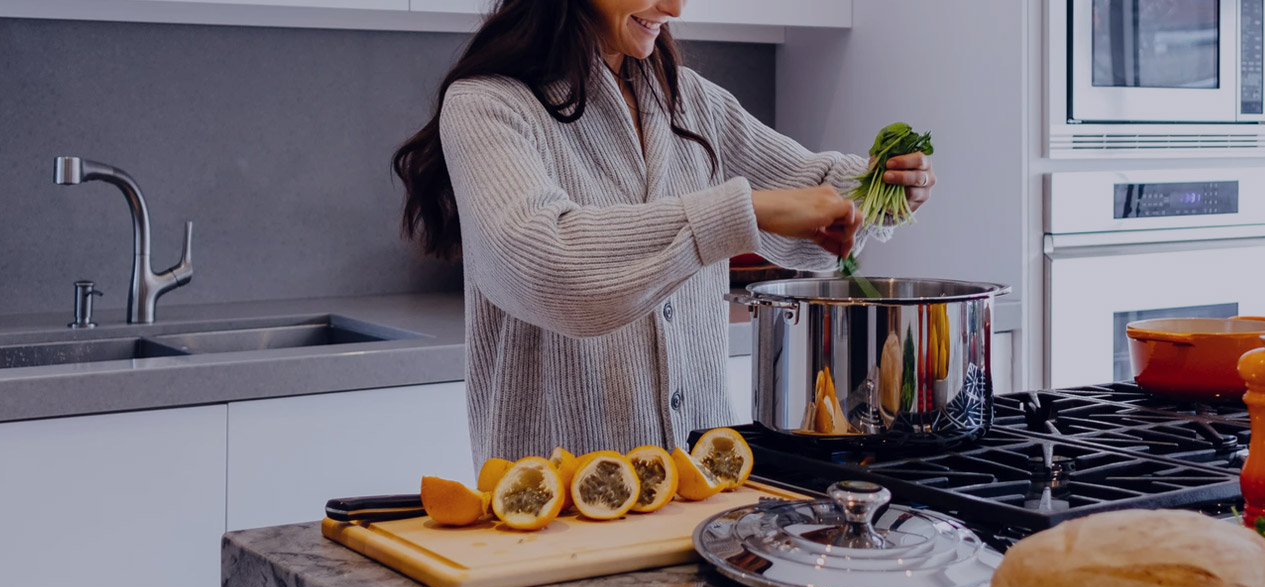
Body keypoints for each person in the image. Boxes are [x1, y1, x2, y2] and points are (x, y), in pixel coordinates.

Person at [392, 0, 936, 461]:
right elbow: (547, 266)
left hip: (702, 495)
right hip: (556, 512)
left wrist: (880, 188)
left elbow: (808, 194)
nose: (675, 8)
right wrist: (738, 212)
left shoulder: (690, 100)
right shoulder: (488, 105)